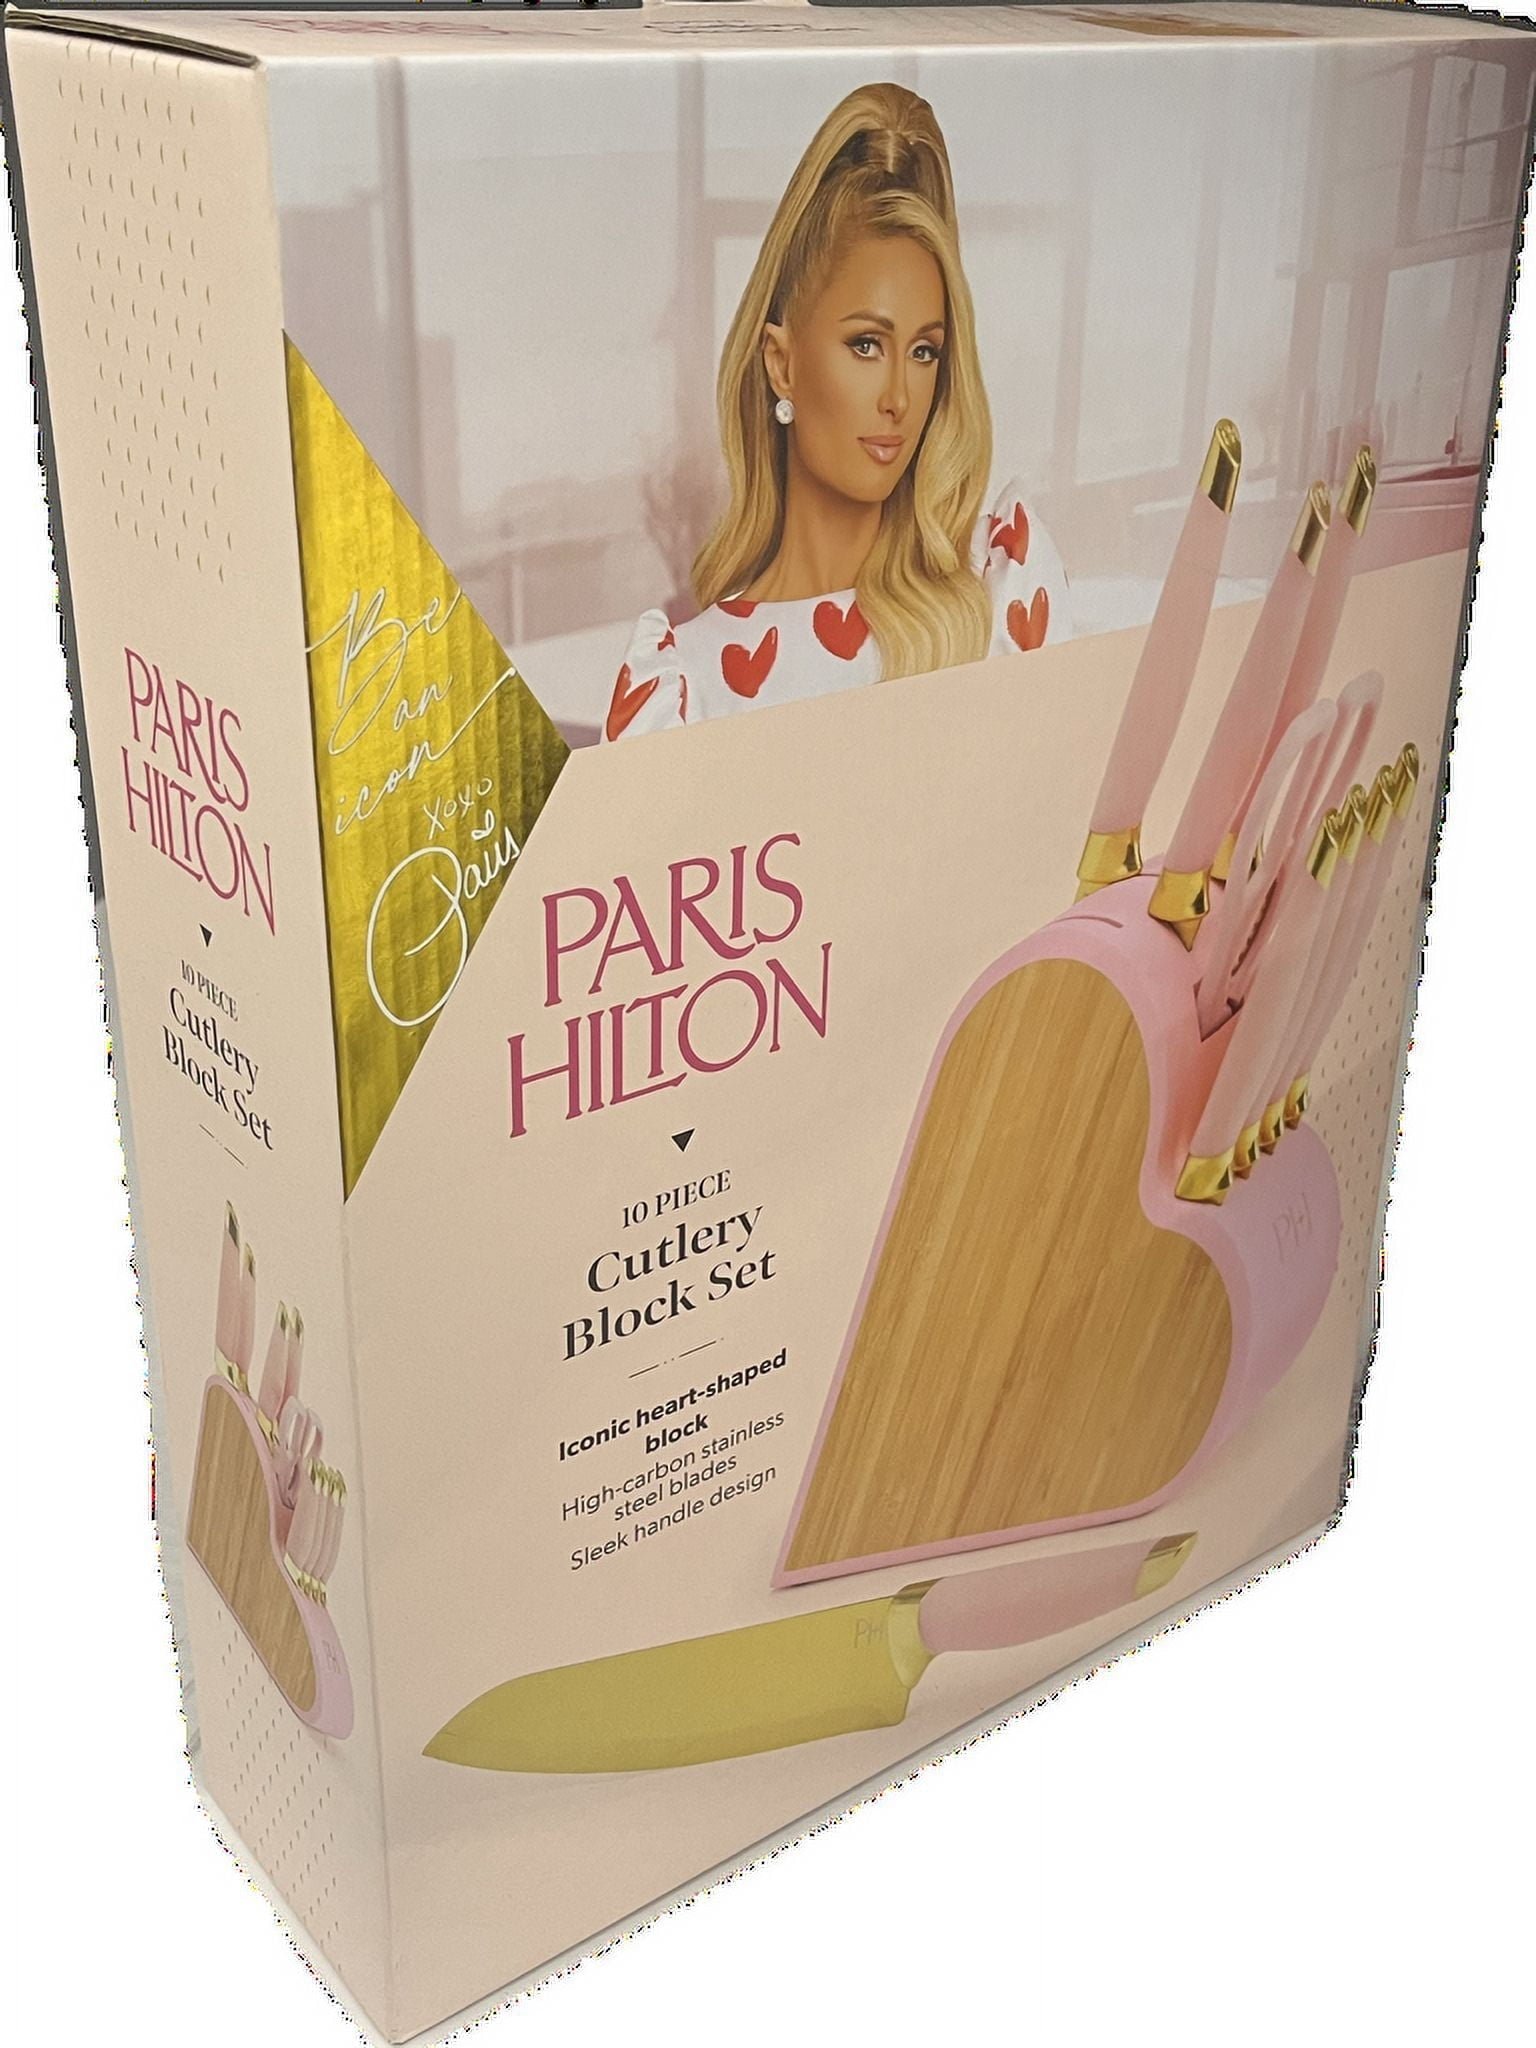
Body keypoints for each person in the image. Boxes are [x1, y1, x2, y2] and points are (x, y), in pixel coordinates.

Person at [603, 80, 1070, 744]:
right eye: (866, 344)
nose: (898, 397)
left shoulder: (999, 583)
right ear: (782, 363)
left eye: (925, 352)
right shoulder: (680, 686)